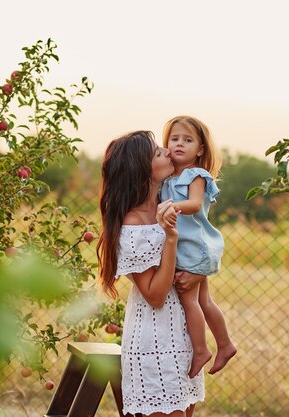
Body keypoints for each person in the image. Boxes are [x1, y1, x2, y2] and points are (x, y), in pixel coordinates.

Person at [97, 130, 204, 417]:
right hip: (154, 343)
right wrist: (170, 238)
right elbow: (155, 295)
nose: (168, 151)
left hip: (180, 335)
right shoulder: (132, 226)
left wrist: (197, 274)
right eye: (158, 152)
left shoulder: (167, 206)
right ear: (141, 169)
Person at [160, 115, 237, 378]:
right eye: (174, 139)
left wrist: (169, 207)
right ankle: (225, 344)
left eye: (188, 140)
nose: (179, 144)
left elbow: (193, 204)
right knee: (204, 300)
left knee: (190, 299)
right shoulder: (168, 177)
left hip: (196, 248)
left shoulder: (196, 175)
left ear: (200, 149)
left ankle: (201, 350)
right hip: (185, 249)